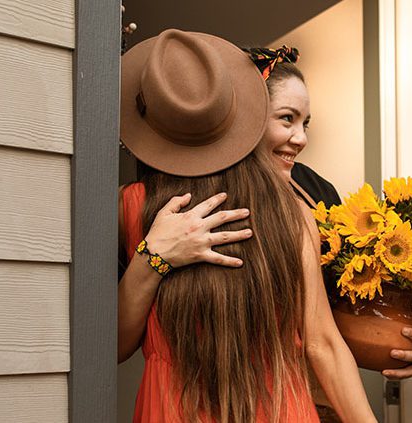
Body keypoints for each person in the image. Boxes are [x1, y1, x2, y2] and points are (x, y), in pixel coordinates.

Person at [117, 29, 376, 422]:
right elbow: (110, 347)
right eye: (287, 118)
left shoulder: (296, 209)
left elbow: (323, 341)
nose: (300, 138)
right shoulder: (133, 208)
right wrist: (153, 257)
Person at [244, 46, 412, 382]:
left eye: (305, 122)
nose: (301, 138)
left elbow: (346, 306)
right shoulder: (198, 199)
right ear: (246, 113)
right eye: (286, 118)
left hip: (315, 393)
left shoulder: (317, 194)